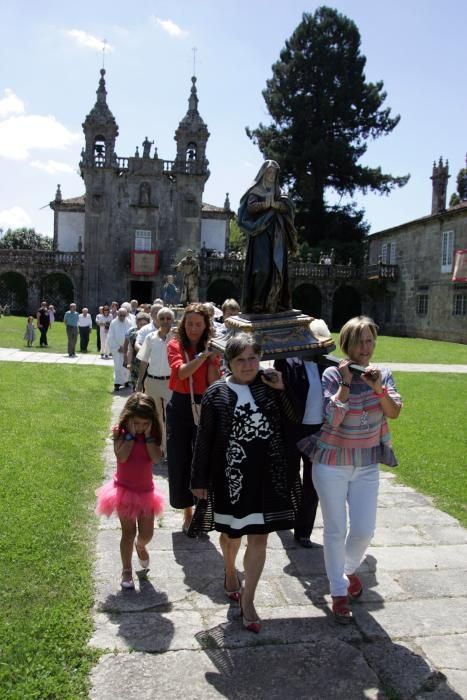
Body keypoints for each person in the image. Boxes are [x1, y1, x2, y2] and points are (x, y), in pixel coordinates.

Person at [190, 333, 301, 633]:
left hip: (267, 477)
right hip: (230, 478)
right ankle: (229, 570)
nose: (248, 364)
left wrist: (282, 390)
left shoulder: (269, 387)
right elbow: (204, 439)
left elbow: (294, 421)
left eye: (253, 358)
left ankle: (248, 599)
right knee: (231, 536)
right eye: (241, 359)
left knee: (260, 537)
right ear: (229, 363)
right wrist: (198, 479)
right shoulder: (217, 393)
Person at [298, 316, 402, 624]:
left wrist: (378, 388)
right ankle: (339, 592)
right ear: (347, 344)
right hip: (331, 463)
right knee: (335, 529)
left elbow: (394, 413)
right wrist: (346, 382)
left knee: (364, 530)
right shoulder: (332, 373)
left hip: (366, 463)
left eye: (370, 340)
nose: (365, 348)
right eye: (359, 341)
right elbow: (333, 418)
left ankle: (345, 571)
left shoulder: (382, 374)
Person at [95, 393, 164, 589]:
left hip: (146, 492)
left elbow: (156, 458)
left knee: (147, 534)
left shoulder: (152, 435)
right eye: (137, 423)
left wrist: (149, 436)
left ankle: (141, 546)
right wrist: (131, 436)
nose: (141, 427)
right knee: (128, 532)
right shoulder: (121, 433)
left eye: (145, 423)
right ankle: (126, 569)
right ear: (128, 418)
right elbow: (122, 457)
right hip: (124, 491)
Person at [166, 303, 221, 532]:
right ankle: (186, 510)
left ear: (206, 325)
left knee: (202, 460)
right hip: (180, 405)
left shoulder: (212, 348)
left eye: (198, 324)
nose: (193, 328)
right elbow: (180, 372)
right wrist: (201, 356)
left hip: (204, 404)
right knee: (180, 459)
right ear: (183, 324)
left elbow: (213, 381)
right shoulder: (175, 344)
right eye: (189, 323)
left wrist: (211, 359)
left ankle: (202, 508)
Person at [237, 160, 297, 314]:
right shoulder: (255, 190)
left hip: (277, 234)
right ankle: (257, 302)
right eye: (269, 172)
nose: (271, 175)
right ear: (263, 173)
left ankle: (275, 302)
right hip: (260, 234)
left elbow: (288, 207)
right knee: (261, 269)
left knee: (277, 268)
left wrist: (276, 205)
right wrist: (265, 204)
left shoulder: (280, 191)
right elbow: (249, 208)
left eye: (274, 173)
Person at [136, 307, 175, 456]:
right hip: (152, 381)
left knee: (170, 417)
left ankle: (169, 448)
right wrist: (140, 382)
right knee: (156, 417)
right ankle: (159, 448)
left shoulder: (177, 338)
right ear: (157, 320)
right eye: (162, 318)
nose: (165, 321)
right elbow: (144, 361)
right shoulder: (150, 337)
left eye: (168, 318)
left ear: (172, 320)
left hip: (170, 382)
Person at [123, 311, 150, 390]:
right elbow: (130, 349)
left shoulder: (152, 333)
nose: (142, 326)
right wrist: (129, 363)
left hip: (148, 363)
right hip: (136, 363)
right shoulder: (133, 334)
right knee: (136, 384)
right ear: (137, 324)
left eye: (145, 324)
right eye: (140, 324)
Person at [108, 307, 133, 391]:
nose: (122, 317)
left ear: (126, 315)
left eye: (123, 315)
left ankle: (126, 381)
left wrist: (127, 347)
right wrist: (117, 347)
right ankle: (117, 383)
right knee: (118, 366)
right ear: (117, 314)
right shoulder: (113, 323)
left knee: (126, 366)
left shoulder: (129, 323)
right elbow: (111, 336)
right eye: (120, 315)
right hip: (118, 349)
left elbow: (131, 335)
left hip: (127, 349)